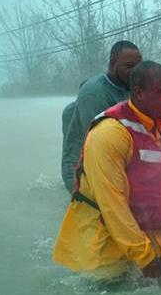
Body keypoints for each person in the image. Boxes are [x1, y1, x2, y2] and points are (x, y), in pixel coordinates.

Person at [53, 61, 161, 281]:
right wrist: (146, 258)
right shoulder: (109, 134)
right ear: (139, 93)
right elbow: (112, 205)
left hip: (146, 240)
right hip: (102, 256)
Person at [61, 40, 142, 190]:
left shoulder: (129, 87)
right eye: (129, 66)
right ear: (112, 64)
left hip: (110, 160)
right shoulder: (94, 94)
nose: (135, 72)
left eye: (138, 66)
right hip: (83, 170)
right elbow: (99, 144)